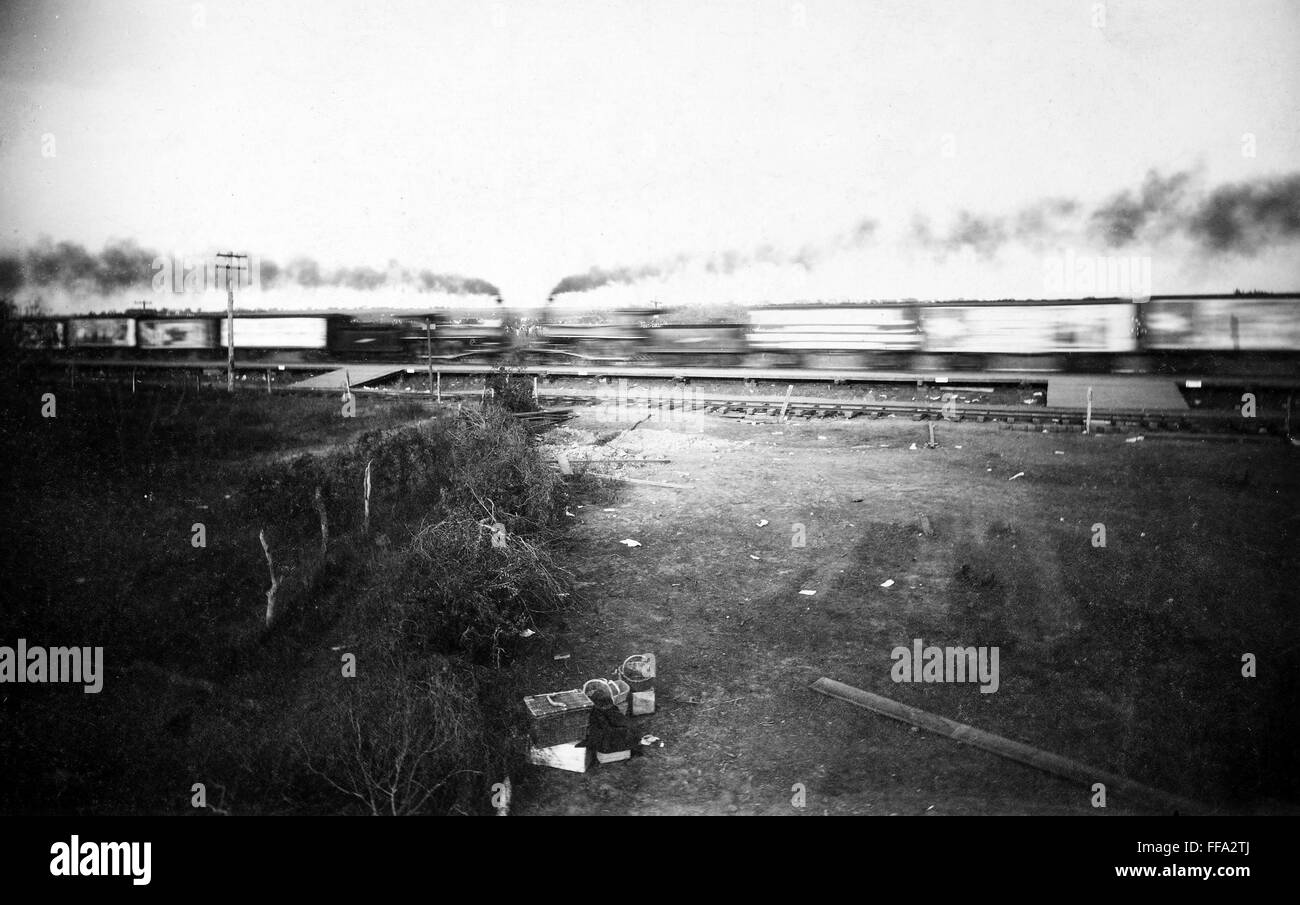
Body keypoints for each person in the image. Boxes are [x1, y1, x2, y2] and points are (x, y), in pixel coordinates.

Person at [577, 684, 644, 764]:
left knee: (625, 728)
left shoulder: (598, 712)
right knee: (624, 730)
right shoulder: (600, 714)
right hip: (606, 744)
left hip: (606, 740)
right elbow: (609, 729)